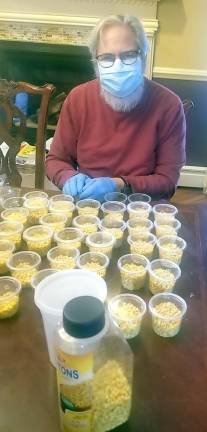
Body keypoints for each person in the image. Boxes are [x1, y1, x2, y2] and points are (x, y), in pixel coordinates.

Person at [46, 14, 186, 201]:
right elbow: (56, 160)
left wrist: (120, 184)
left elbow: (168, 181)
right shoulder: (78, 98)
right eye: (107, 57)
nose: (117, 65)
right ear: (96, 63)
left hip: (141, 208)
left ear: (143, 58)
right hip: (88, 206)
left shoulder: (169, 105)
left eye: (128, 55)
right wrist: (68, 177)